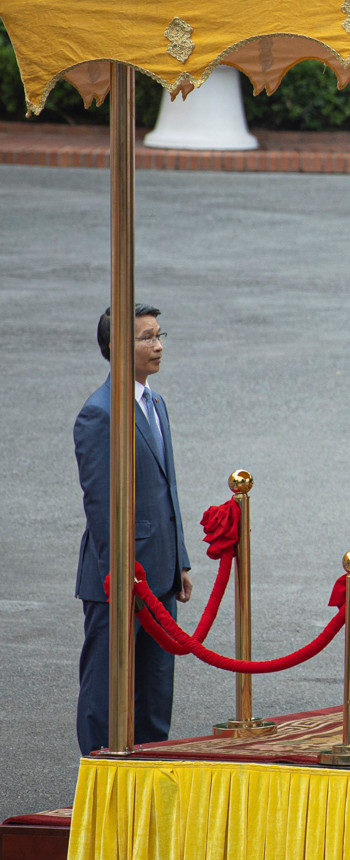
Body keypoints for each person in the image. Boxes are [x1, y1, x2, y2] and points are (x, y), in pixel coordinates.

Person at [75, 305, 192, 755]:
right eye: (147, 338)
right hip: (120, 580)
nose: (158, 345)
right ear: (116, 347)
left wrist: (178, 559)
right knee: (106, 692)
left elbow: (166, 489)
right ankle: (100, 782)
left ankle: (144, 781)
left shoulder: (154, 402)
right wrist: (119, 576)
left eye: (160, 335)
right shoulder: (100, 413)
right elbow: (100, 505)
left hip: (159, 575)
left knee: (154, 693)